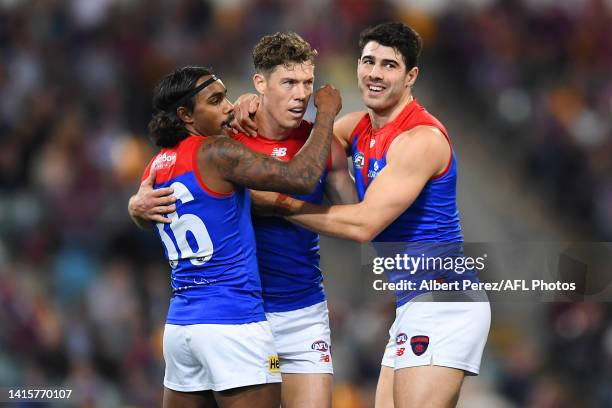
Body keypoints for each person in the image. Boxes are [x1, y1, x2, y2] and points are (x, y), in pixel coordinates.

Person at [243, 22, 491, 408]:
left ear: (411, 77)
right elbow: (300, 141)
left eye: (389, 65)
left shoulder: (421, 140)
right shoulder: (355, 128)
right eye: (368, 61)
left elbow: (363, 224)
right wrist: (252, 102)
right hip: (411, 300)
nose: (374, 73)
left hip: (444, 298)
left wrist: (281, 205)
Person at [130, 33, 356, 408]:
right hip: (242, 317)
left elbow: (357, 217)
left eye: (307, 83)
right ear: (260, 84)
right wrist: (327, 114)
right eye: (289, 83)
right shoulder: (227, 144)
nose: (301, 94)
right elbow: (297, 178)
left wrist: (135, 207)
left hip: (292, 313)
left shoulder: (166, 159)